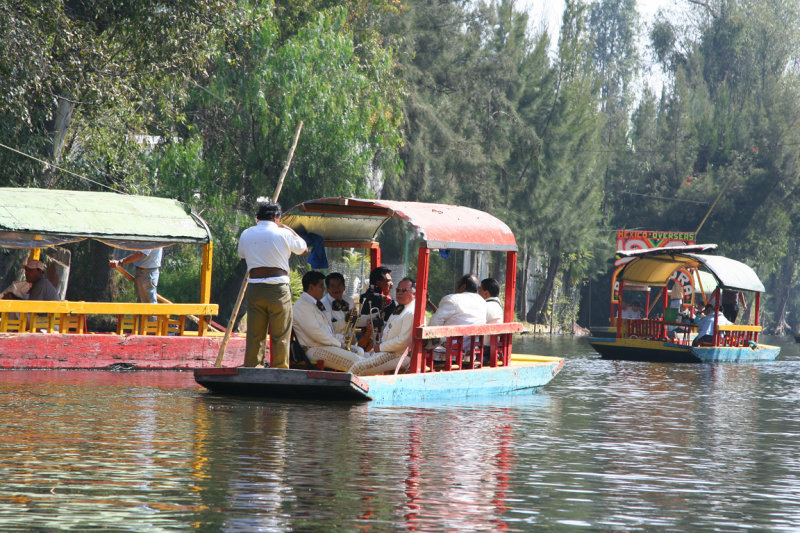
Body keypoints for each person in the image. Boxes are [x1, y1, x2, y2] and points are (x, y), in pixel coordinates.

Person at [238, 200, 307, 369]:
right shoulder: (282, 233)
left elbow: (242, 255)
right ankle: (280, 368)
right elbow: (304, 248)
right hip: (278, 289)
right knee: (281, 333)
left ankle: (253, 367)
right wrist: (288, 229)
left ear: (258, 218)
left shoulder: (246, 233)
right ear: (277, 218)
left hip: (255, 287)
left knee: (255, 333)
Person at [293, 271, 364, 372]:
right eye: (321, 285)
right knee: (359, 363)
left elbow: (330, 329)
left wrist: (346, 321)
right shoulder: (302, 305)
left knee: (359, 353)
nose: (324, 289)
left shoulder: (314, 303)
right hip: (315, 349)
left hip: (326, 346)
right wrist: (339, 343)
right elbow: (317, 334)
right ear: (311, 287)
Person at [350, 277, 417, 376]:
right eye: (398, 290)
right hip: (387, 352)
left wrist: (380, 347)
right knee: (353, 360)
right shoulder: (402, 308)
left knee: (358, 368)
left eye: (404, 290)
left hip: (398, 355)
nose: (399, 293)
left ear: (414, 293)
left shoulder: (411, 312)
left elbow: (403, 342)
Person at [479, 278, 503, 361]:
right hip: (494, 349)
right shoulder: (497, 306)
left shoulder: (486, 306)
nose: (478, 292)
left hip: (485, 350)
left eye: (480, 289)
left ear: (486, 293)